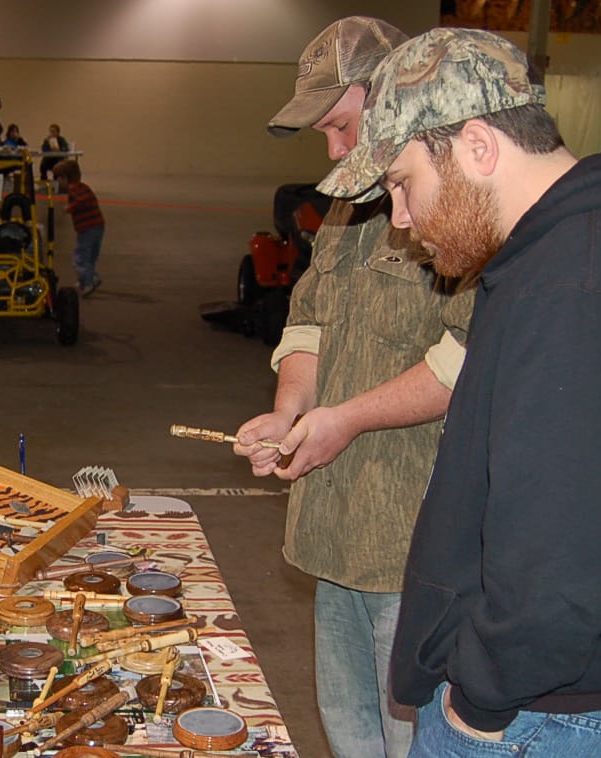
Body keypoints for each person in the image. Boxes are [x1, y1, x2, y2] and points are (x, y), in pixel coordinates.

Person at [318, 27, 601, 757]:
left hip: (537, 718)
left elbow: (563, 556)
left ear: (478, 146)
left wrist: (480, 703)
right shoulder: (573, 258)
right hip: (548, 703)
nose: (401, 220)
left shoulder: (578, 291)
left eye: (404, 183)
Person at [231, 16, 474, 758]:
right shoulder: (348, 201)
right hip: (335, 527)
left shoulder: (459, 200)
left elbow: (469, 356)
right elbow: (308, 320)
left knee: (414, 735)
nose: (335, 150)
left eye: (342, 126)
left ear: (393, 93)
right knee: (348, 724)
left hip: (414, 538)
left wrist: (350, 419)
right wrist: (289, 412)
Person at [51, 158, 105, 297]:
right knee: (90, 257)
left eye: (58, 179)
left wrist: (69, 208)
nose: (57, 183)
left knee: (80, 257)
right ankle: (88, 278)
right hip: (97, 226)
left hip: (87, 228)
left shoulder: (73, 189)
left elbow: (82, 200)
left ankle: (87, 283)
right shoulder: (82, 187)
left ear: (64, 178)